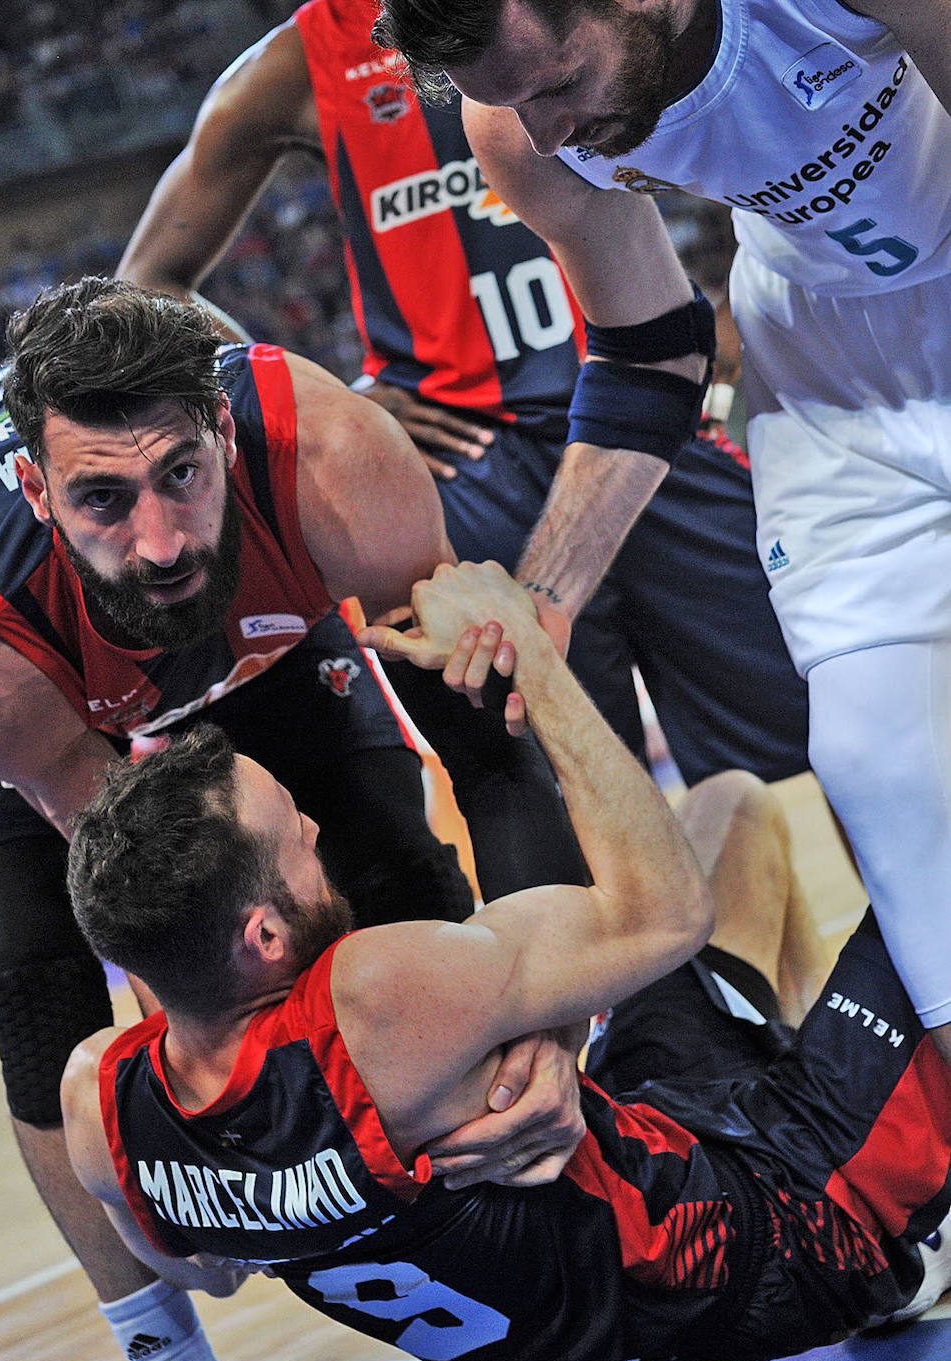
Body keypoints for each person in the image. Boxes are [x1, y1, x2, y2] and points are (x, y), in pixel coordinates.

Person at [62, 560, 951, 1361]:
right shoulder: (368, 1002)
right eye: (293, 834)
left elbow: (210, 1275)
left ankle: (834, 1089)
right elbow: (663, 914)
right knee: (933, 848)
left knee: (728, 811)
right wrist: (531, 656)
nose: (317, 833)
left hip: (644, 1192)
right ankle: (907, 1229)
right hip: (782, 1236)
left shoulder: (102, 1105)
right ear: (262, 939)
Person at [0, 278, 585, 1361]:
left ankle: (495, 1202)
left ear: (226, 433)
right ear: (39, 492)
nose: (156, 542)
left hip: (266, 654)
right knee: (34, 979)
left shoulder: (332, 456)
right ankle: (159, 1344)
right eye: (103, 499)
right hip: (55, 702)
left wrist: (546, 1038)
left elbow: (493, 762)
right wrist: (219, 1141)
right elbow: (157, 919)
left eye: (180, 475)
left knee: (401, 881)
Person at [369, 0, 951, 1070]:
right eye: (508, 101)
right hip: (827, 370)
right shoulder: (514, 132)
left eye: (554, 84)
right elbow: (645, 351)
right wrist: (532, 615)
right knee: (877, 764)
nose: (541, 133)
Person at [116, 0, 811, 787]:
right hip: (474, 468)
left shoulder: (557, 17)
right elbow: (146, 284)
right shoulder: (293, 66)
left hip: (642, 416)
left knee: (799, 751)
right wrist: (322, 404)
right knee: (573, 798)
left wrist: (741, 298)